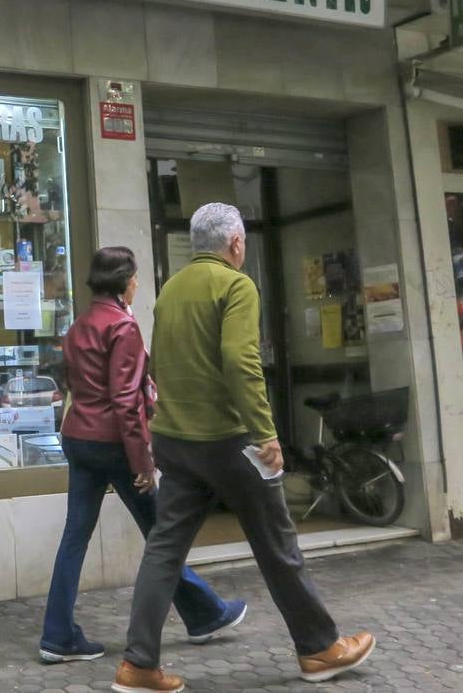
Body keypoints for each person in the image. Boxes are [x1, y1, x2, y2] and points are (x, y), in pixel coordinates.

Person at [113, 204, 374, 693]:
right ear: (236, 244)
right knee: (277, 543)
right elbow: (240, 359)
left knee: (164, 549)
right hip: (228, 440)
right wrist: (265, 432)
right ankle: (319, 648)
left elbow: (159, 363)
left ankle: (138, 664)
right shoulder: (236, 285)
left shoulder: (170, 289)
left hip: (173, 438)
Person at [40, 246, 246, 664]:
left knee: (75, 537)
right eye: (134, 277)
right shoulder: (123, 327)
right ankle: (206, 614)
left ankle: (56, 634)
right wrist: (143, 464)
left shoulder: (79, 325)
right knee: (162, 536)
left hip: (78, 438)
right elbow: (125, 403)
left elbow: (75, 385)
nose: (137, 283)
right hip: (113, 443)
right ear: (123, 281)